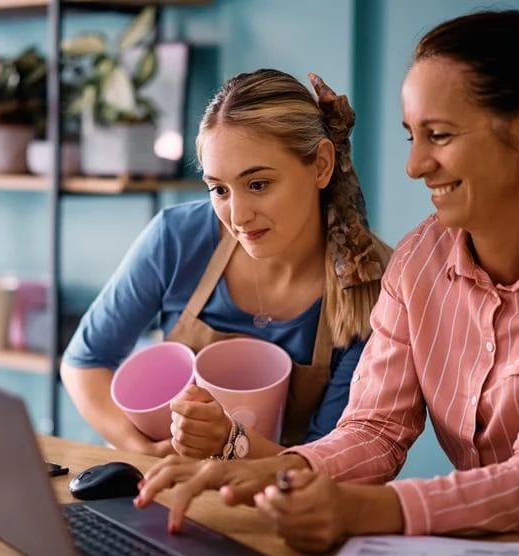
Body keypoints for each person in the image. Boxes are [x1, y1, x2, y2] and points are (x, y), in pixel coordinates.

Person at [136, 10, 519, 556]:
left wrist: (364, 511)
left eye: (438, 135)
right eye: (411, 136)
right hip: (502, 540)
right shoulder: (419, 260)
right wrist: (260, 470)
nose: (415, 165)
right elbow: (376, 430)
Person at [61, 69, 393, 459]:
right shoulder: (178, 237)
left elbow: (333, 458)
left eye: (258, 185)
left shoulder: (373, 284)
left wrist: (229, 443)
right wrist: (137, 447)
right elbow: (85, 362)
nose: (237, 216)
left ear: (321, 165)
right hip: (165, 486)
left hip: (284, 510)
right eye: (219, 189)